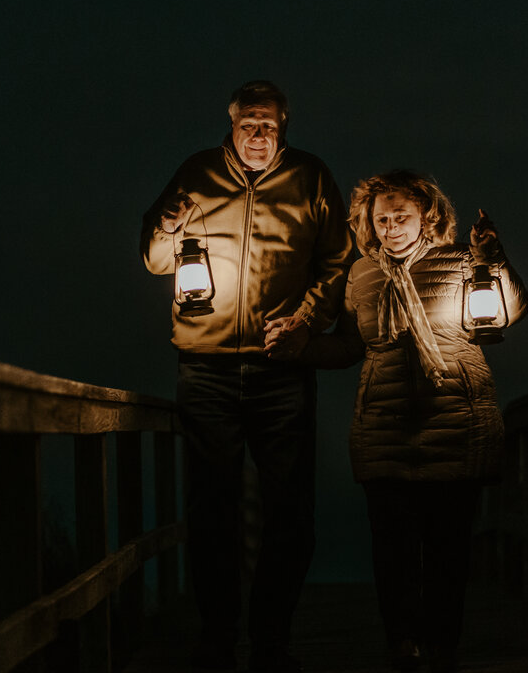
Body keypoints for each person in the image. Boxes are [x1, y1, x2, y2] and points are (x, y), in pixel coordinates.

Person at [139, 81, 354, 673]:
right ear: (231, 125)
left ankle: (271, 638)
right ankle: (217, 635)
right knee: (212, 510)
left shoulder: (312, 178)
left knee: (291, 512)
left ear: (284, 128)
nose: (258, 136)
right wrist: (165, 223)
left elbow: (340, 261)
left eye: (269, 126)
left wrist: (307, 321)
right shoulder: (196, 173)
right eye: (249, 124)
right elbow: (155, 258)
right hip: (204, 366)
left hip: (280, 369)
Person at [297, 169, 528, 673]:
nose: (391, 226)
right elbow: (351, 347)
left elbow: (511, 311)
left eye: (401, 216)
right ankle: (401, 643)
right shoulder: (360, 275)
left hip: (456, 420)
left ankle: (443, 644)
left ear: (427, 216)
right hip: (385, 424)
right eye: (381, 218)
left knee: (448, 547)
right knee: (393, 549)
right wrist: (300, 349)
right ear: (369, 222)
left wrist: (491, 256)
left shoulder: (463, 261)